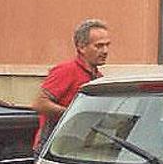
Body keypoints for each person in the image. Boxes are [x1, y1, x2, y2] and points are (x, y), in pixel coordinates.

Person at [32, 18, 111, 152]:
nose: (105, 51)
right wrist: (74, 114)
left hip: (79, 148)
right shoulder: (66, 70)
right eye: (99, 46)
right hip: (52, 148)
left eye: (107, 45)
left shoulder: (99, 78)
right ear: (81, 47)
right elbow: (40, 104)